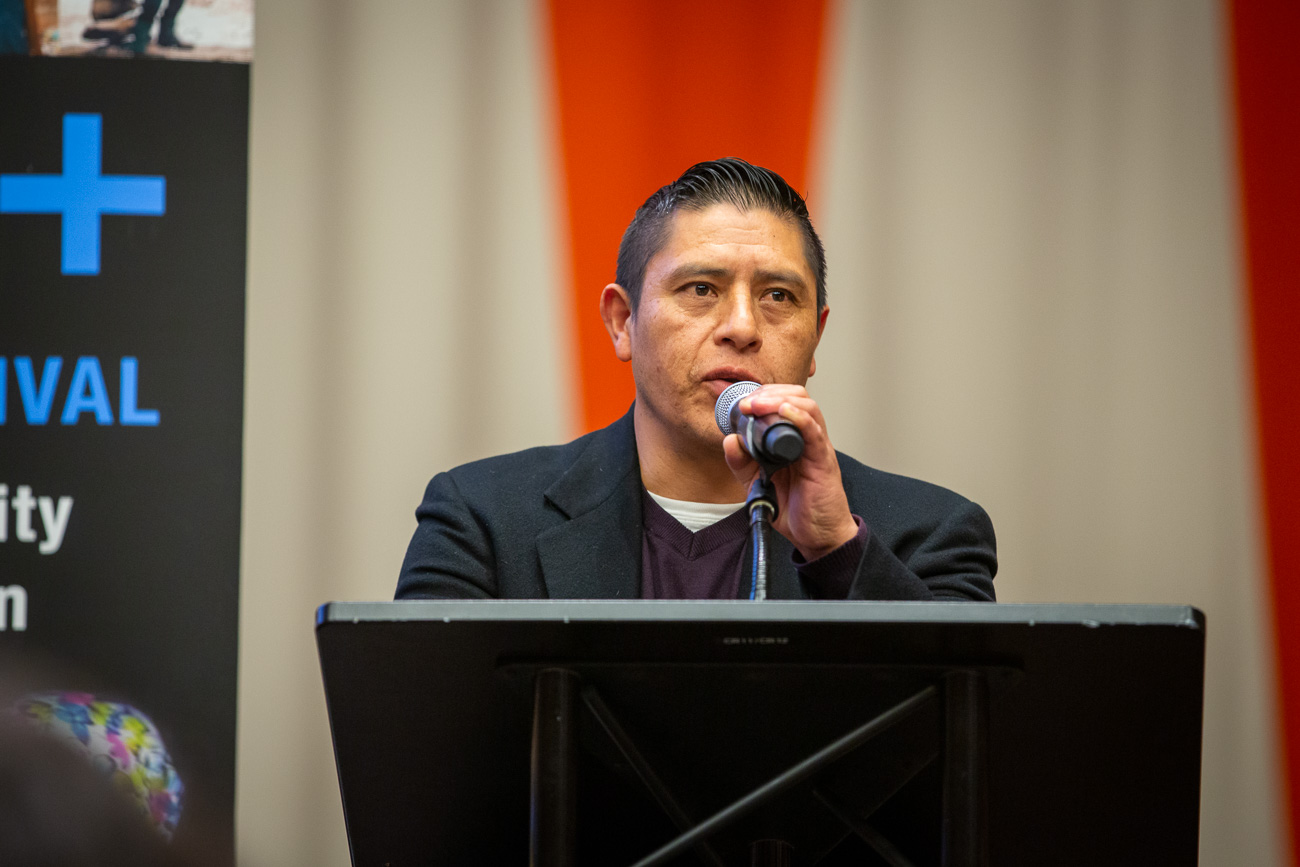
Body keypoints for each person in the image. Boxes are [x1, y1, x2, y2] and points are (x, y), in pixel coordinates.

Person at [397, 158, 996, 601]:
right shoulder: (482, 519)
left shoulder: (931, 533)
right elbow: (424, 730)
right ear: (623, 322)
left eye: (778, 296)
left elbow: (959, 727)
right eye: (701, 289)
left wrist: (836, 548)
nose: (742, 327)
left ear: (816, 338)